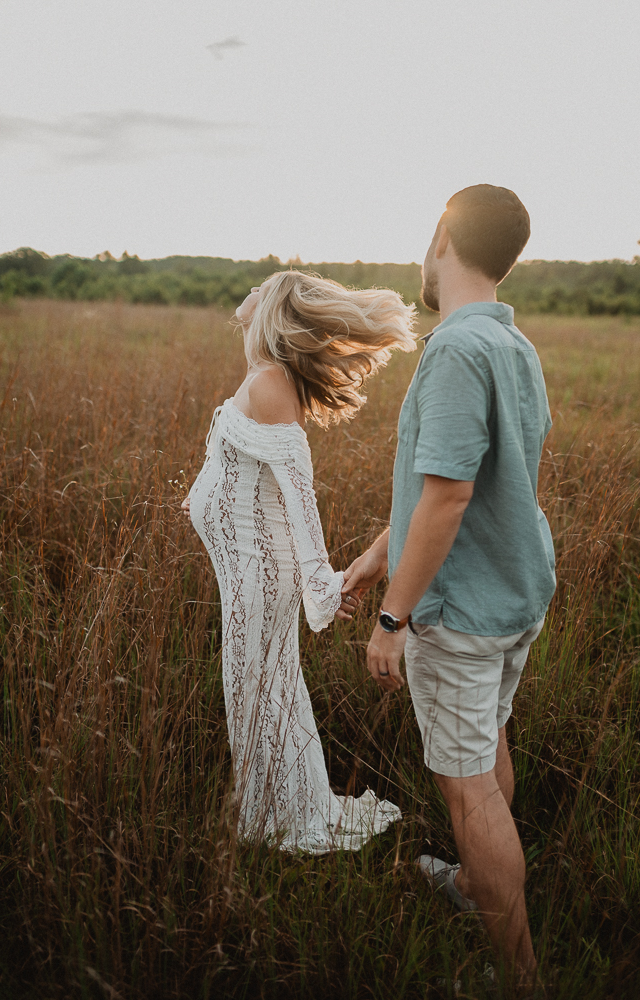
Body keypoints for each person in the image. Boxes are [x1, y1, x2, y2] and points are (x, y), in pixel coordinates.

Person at [342, 185, 556, 987]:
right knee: (487, 744)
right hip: (512, 596)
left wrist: (392, 616)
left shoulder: (455, 350)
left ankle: (522, 975)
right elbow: (458, 480)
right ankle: (474, 885)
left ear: (442, 237)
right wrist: (376, 553)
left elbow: (449, 494)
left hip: (461, 612)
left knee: (467, 791)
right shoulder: (511, 344)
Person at [182, 270, 416, 853]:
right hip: (248, 574)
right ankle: (279, 811)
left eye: (263, 285)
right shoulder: (263, 375)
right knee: (261, 690)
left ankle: (278, 822)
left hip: (261, 577)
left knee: (258, 690)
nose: (250, 290)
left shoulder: (268, 383)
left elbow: (299, 492)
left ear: (275, 306)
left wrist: (319, 582)